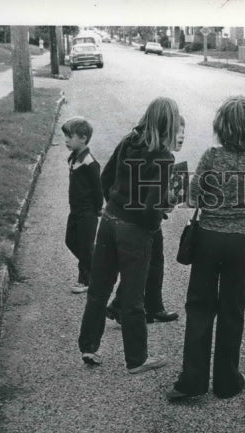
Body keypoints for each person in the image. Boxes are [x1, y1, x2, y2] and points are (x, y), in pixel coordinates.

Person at [166, 95, 245, 400]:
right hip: (238, 245)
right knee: (232, 311)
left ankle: (192, 381)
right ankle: (228, 381)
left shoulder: (210, 158)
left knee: (200, 307)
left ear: (221, 127)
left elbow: (192, 199)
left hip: (207, 240)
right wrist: (243, 211)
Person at [77, 97, 182, 374]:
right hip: (134, 230)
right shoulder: (163, 156)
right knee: (134, 296)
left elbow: (105, 177)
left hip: (110, 220)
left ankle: (89, 346)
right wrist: (163, 210)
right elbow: (151, 207)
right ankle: (137, 359)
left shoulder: (129, 140)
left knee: (99, 289)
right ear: (168, 123)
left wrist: (115, 201)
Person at [61, 116, 103, 294]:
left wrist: (99, 207)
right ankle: (97, 269)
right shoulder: (74, 159)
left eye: (70, 137)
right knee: (70, 241)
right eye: (66, 137)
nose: (66, 140)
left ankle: (86, 279)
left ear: (83, 138)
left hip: (88, 212)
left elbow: (97, 188)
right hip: (75, 210)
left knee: (85, 246)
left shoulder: (89, 163)